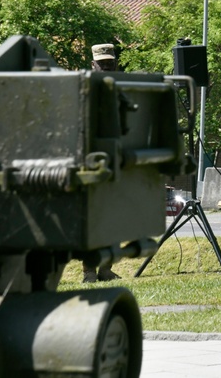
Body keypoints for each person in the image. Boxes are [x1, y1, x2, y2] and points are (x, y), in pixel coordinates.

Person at [82, 43, 122, 283]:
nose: (107, 67)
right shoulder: (84, 88)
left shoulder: (120, 88)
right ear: (93, 64)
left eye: (110, 63)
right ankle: (89, 272)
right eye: (102, 63)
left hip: (115, 160)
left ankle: (106, 269)